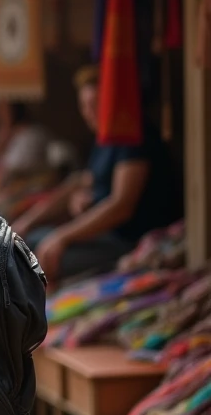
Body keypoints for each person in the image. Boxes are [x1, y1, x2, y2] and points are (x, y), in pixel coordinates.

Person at [11, 65, 183, 282]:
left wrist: (62, 236)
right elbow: (82, 182)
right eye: (84, 106)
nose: (88, 113)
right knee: (30, 239)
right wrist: (28, 221)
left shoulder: (133, 136)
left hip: (129, 241)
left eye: (95, 104)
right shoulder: (104, 138)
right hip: (104, 236)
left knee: (40, 257)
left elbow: (121, 206)